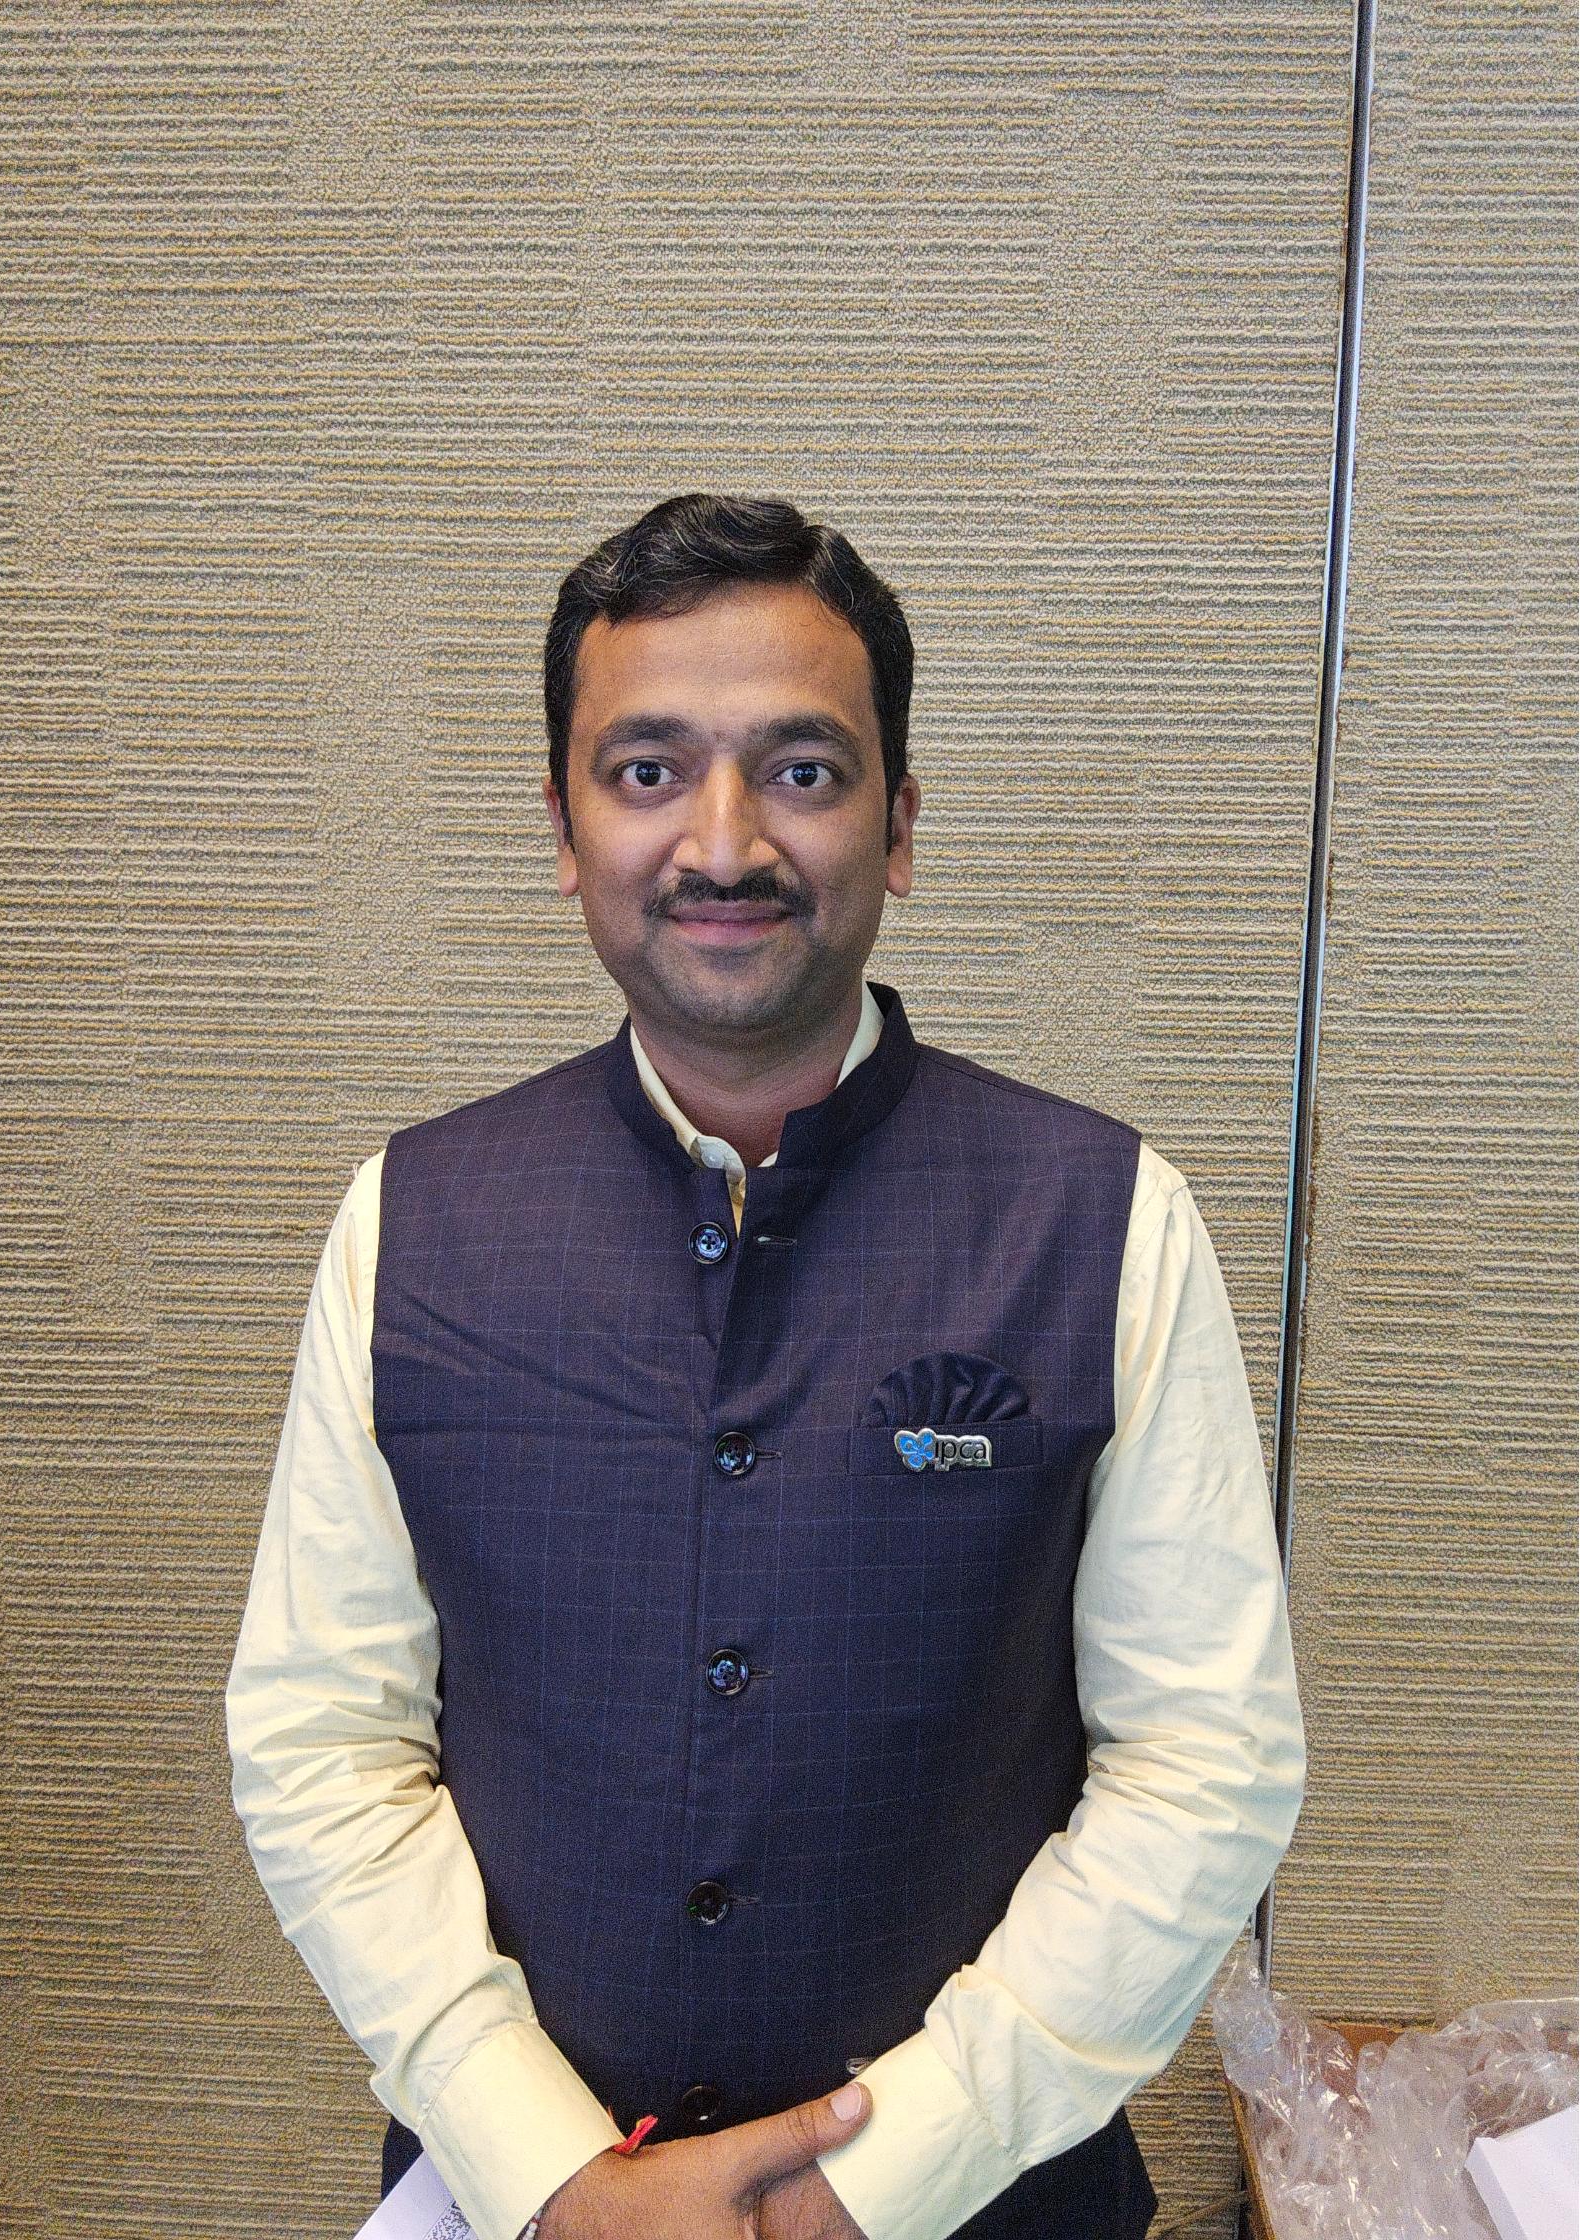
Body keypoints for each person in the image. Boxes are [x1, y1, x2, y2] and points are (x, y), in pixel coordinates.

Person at [226, 493, 1308, 2240]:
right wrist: (554, 2174)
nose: (722, 843)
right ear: (565, 830)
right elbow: (319, 1739)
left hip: (991, 2203)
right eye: (647, 771)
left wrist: (871, 2183)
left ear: (899, 825)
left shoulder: (1106, 1218)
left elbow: (1204, 1761)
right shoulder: (409, 1222)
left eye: (801, 771)